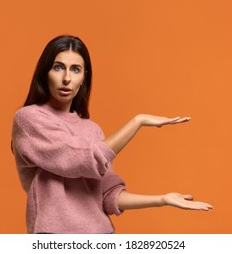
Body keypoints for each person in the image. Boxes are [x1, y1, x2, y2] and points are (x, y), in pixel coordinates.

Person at [11, 35, 213, 234]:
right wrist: (137, 121)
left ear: (84, 77)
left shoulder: (92, 129)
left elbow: (108, 194)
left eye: (75, 69)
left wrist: (162, 199)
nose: (66, 78)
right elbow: (80, 159)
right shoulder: (29, 120)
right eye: (58, 67)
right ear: (44, 73)